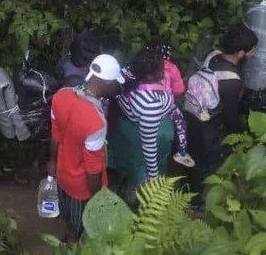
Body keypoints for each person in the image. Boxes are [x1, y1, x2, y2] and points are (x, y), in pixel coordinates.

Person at [47, 54, 123, 240]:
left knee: (68, 217)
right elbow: (93, 168)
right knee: (83, 226)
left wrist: (51, 162)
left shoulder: (62, 95)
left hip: (61, 172)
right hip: (82, 186)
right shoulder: (96, 122)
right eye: (114, 83)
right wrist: (96, 199)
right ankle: (74, 252)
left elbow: (55, 134)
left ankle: (69, 235)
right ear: (107, 83)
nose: (116, 87)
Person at [184, 23, 257, 207]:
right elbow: (229, 117)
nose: (252, 54)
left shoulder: (213, 56)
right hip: (209, 127)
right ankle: (197, 201)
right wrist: (238, 136)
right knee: (208, 163)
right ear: (240, 52)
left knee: (193, 157)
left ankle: (187, 189)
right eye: (251, 51)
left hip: (192, 116)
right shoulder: (231, 81)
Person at [108, 47, 178, 201]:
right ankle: (136, 192)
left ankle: (126, 180)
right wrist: (153, 176)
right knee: (141, 168)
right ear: (156, 73)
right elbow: (149, 145)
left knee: (127, 160)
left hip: (127, 119)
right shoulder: (150, 103)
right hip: (146, 128)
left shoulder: (128, 73)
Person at [145, 42, 194, 167]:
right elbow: (179, 90)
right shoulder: (171, 68)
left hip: (143, 101)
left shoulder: (143, 65)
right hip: (166, 105)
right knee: (181, 123)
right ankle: (181, 153)